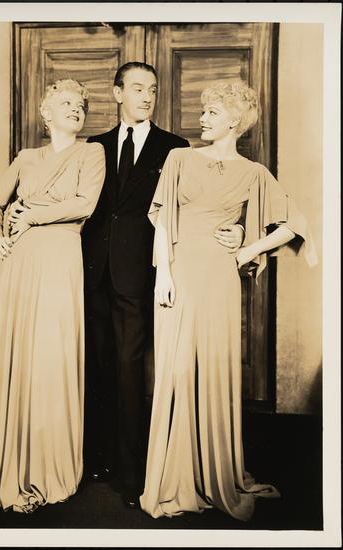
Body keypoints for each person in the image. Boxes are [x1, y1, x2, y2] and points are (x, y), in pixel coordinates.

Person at [140, 80, 318, 520]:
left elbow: (294, 224)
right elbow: (162, 221)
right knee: (176, 369)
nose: (201, 119)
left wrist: (246, 246)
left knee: (214, 368)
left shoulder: (254, 173)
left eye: (212, 113)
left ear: (234, 121)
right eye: (204, 111)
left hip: (219, 278)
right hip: (178, 274)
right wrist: (163, 274)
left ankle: (215, 472)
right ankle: (172, 477)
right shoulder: (179, 158)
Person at [81, 62, 244, 509]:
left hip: (143, 272)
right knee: (97, 365)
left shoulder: (175, 149)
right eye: (137, 88)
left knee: (130, 368)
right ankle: (97, 460)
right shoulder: (93, 147)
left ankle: (132, 472)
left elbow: (203, 204)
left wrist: (239, 231)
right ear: (118, 93)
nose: (147, 96)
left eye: (152, 89)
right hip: (92, 270)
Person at [0, 79, 105, 513]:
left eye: (80, 104)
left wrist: (31, 217)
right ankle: (14, 464)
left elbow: (84, 205)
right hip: (23, 262)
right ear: (46, 114)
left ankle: (50, 468)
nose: (75, 109)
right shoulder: (26, 157)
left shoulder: (92, 153)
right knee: (22, 354)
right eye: (66, 103)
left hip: (62, 258)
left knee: (52, 356)